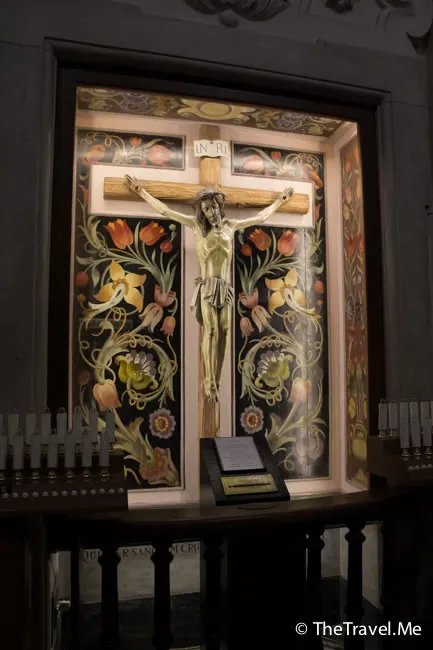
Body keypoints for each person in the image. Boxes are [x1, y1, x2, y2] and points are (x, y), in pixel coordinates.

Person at [125, 174, 294, 402]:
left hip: (225, 287)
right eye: (205, 209)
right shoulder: (197, 227)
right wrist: (141, 192)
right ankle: (208, 379)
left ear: (219, 206)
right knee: (211, 330)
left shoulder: (230, 227)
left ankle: (218, 377)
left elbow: (260, 218)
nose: (210, 212)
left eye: (213, 207)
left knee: (225, 329)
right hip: (207, 286)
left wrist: (280, 201)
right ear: (201, 212)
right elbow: (166, 211)